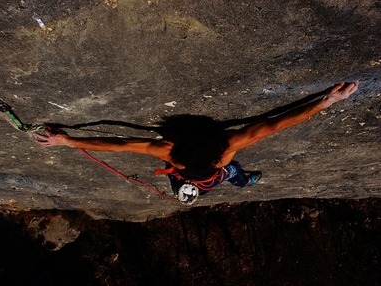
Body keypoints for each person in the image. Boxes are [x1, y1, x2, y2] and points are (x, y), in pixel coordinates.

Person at [33, 82, 359, 204]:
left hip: (200, 175)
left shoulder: (171, 155)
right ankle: (248, 180)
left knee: (231, 176)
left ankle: (248, 181)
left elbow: (119, 144)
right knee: (236, 175)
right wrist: (325, 101)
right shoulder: (226, 150)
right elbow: (272, 125)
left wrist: (68, 141)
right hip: (218, 174)